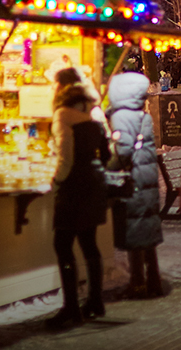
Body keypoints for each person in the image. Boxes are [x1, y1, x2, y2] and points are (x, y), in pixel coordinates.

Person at [47, 68, 110, 329]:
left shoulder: (63, 116)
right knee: (88, 243)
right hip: (94, 185)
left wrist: (56, 180)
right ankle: (95, 301)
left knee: (63, 245)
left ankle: (71, 306)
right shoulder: (93, 119)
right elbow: (106, 155)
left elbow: (66, 157)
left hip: (73, 188)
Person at [106, 72, 164, 299]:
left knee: (134, 234)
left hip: (133, 182)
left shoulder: (122, 116)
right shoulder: (143, 116)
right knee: (147, 234)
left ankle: (138, 282)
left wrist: (107, 169)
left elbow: (123, 149)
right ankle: (154, 281)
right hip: (146, 180)